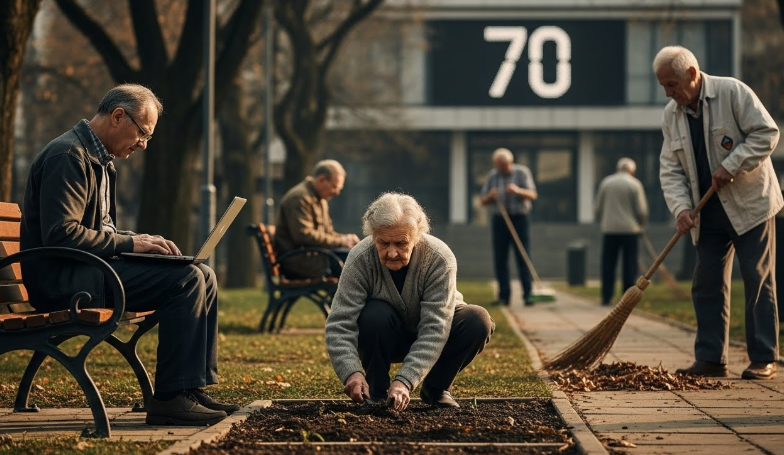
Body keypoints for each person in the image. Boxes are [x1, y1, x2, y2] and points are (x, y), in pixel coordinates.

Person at [20, 84, 239, 426]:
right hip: (63, 282)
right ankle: (170, 399)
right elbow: (61, 234)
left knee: (202, 275)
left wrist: (137, 239)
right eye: (142, 133)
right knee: (185, 280)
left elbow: (101, 231)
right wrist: (130, 245)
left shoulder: (101, 161)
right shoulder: (68, 157)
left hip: (90, 272)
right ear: (118, 116)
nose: (143, 144)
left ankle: (190, 389)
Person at [655, 45, 781, 379]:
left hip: (751, 205)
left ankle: (763, 357)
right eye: (663, 86)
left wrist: (732, 165)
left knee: (756, 278)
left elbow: (767, 133)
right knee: (707, 282)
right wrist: (681, 209)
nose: (668, 93)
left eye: (671, 84)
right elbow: (670, 169)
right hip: (705, 212)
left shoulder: (733, 92)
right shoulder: (672, 115)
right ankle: (711, 358)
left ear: (692, 75)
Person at [325, 193, 495, 411]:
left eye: (401, 243)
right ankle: (376, 394)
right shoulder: (360, 258)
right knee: (374, 313)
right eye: (383, 243)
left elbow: (436, 328)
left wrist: (406, 380)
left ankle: (436, 389)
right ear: (372, 236)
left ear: (417, 237)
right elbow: (339, 323)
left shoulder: (439, 258)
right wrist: (351, 372)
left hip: (438, 339)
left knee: (477, 319)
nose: (392, 252)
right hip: (385, 336)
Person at [275, 160, 360, 279]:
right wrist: (340, 241)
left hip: (313, 257)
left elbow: (327, 234)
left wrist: (346, 240)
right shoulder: (300, 198)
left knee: (357, 256)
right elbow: (303, 235)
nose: (337, 192)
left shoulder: (320, 199)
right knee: (354, 262)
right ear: (322, 179)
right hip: (298, 261)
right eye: (335, 187)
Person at [479, 148, 538, 306]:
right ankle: (504, 296)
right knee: (500, 259)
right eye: (499, 165)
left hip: (520, 219)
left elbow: (533, 195)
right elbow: (482, 201)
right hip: (500, 220)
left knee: (523, 256)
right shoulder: (493, 175)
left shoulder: (522, 172)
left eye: (504, 165)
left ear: (510, 162)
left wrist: (517, 191)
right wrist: (490, 196)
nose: (502, 168)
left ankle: (528, 294)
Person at [594, 158, 649, 305]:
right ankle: (627, 298)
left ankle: (606, 296)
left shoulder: (606, 182)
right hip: (630, 230)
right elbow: (642, 211)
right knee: (629, 264)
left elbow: (598, 208)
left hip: (610, 228)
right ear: (632, 170)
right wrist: (640, 224)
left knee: (608, 264)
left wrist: (604, 220)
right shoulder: (635, 184)